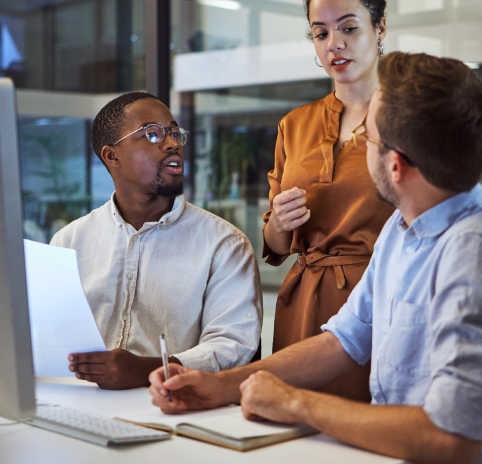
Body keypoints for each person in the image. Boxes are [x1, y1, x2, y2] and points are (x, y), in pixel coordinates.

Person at [149, 52, 482, 464]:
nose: (359, 146)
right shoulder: (401, 228)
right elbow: (344, 338)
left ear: (394, 166)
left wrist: (295, 404)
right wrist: (222, 386)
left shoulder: (469, 255)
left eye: (369, 140)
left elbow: (456, 440)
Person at [50, 92, 262, 390]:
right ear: (112, 156)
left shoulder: (224, 243)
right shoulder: (68, 241)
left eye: (175, 133)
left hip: (175, 406)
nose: (172, 143)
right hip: (77, 400)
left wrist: (152, 370)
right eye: (152, 134)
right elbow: (48, 336)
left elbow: (234, 346)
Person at [263, 0, 394, 402]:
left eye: (348, 28)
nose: (333, 43)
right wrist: (279, 223)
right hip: (301, 304)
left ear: (380, 28)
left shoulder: (409, 119)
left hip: (377, 301)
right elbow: (276, 245)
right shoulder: (294, 124)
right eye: (321, 33)